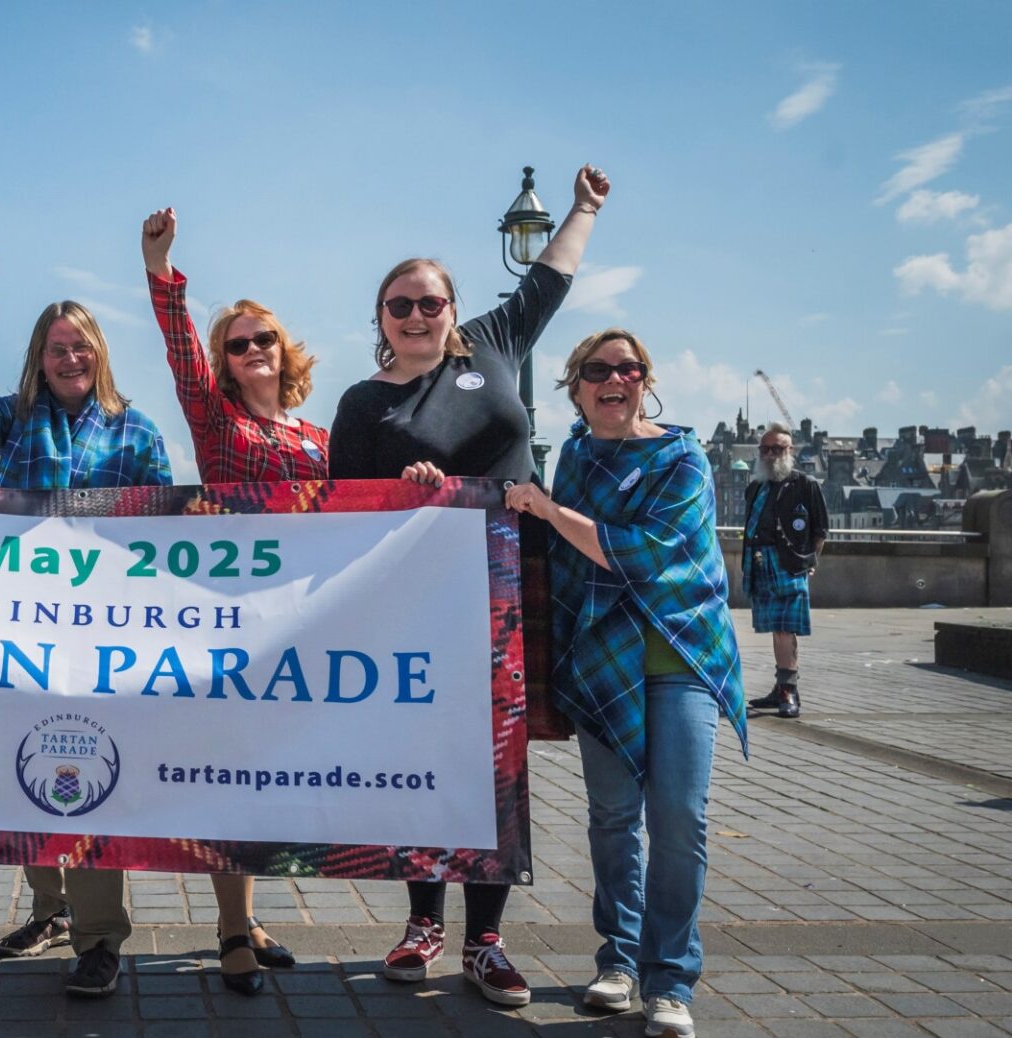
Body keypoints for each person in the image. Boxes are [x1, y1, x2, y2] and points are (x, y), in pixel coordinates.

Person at [329, 164, 611, 1007]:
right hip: (414, 601)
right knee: (423, 756)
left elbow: (552, 276)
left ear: (454, 309)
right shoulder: (361, 402)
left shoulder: (495, 343)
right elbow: (344, 515)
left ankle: (485, 940)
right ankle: (422, 924)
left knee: (500, 760)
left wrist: (584, 208)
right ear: (380, 319)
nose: (417, 315)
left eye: (430, 302)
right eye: (400, 305)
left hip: (510, 582)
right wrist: (401, 494)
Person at [503, 329, 747, 1038]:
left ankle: (670, 980)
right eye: (597, 370)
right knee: (612, 820)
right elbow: (556, 557)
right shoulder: (577, 457)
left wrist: (548, 509)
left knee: (678, 820)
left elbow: (648, 554)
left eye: (628, 368)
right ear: (575, 389)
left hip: (679, 660)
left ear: (646, 381)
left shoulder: (682, 457)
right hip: (603, 662)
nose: (615, 379)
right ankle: (618, 962)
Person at [0, 252, 170, 998]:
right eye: (55, 348)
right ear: (39, 359)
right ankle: (50, 909)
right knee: (19, 773)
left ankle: (102, 938)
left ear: (98, 353)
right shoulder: (14, 419)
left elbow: (167, 535)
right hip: (20, 626)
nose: (69, 358)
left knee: (91, 779)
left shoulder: (135, 430)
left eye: (80, 347)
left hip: (103, 636)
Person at [140, 207, 315, 995]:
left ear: (285, 351)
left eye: (262, 340)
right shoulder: (218, 423)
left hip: (301, 619)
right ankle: (232, 928)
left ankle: (248, 910)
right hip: (231, 615)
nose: (250, 351)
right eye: (235, 344)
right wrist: (161, 269)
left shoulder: (317, 436)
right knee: (232, 773)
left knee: (272, 772)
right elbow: (180, 358)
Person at [742, 424, 828, 719]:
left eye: (777, 449)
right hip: (759, 562)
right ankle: (781, 689)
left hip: (789, 564)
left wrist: (810, 561)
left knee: (785, 629)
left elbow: (820, 530)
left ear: (790, 451)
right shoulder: (755, 487)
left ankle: (788, 690)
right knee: (776, 629)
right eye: (765, 449)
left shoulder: (806, 484)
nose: (769, 454)